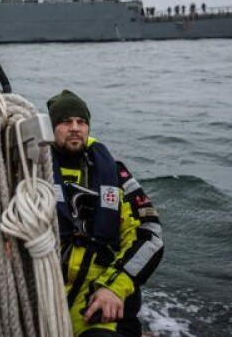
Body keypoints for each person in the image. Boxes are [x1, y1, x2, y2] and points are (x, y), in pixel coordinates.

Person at [47, 90, 163, 337]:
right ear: (51, 128)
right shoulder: (32, 167)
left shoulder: (113, 173)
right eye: (66, 122)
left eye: (81, 122)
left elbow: (149, 235)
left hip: (98, 297)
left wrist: (114, 287)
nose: (75, 128)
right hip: (45, 291)